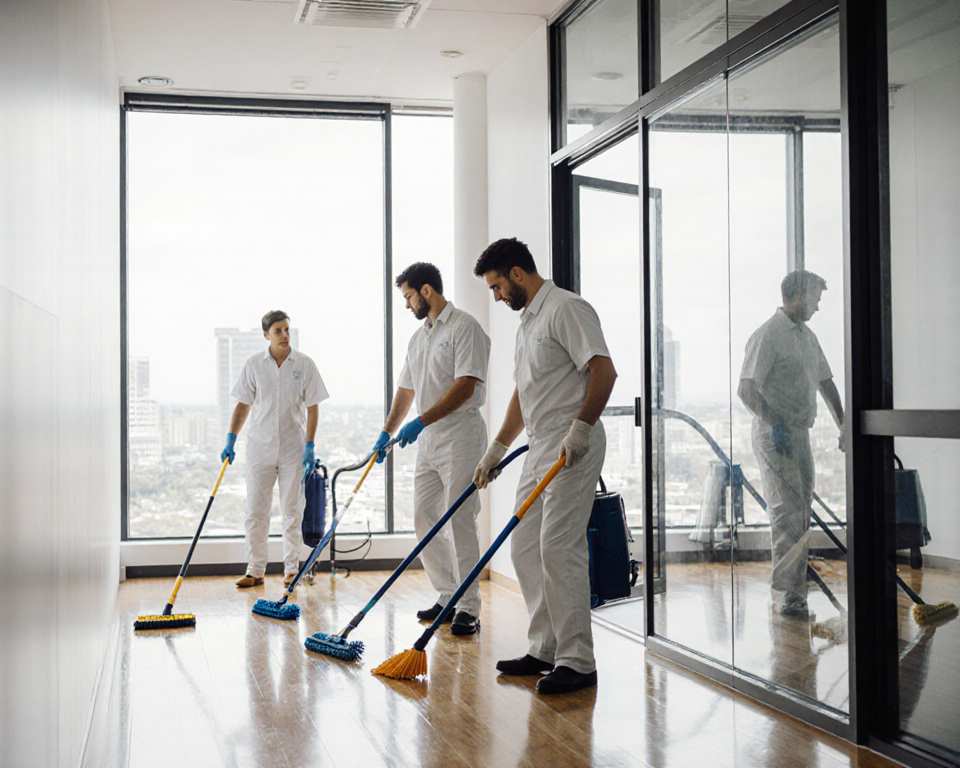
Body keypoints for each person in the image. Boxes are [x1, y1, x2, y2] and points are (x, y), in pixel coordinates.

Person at [472, 238, 616, 695]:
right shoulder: (528, 323)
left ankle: (578, 660)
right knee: (525, 547)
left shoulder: (567, 309)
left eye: (497, 287)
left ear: (517, 273)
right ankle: (545, 647)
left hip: (573, 444)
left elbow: (603, 370)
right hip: (540, 448)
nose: (496, 297)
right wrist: (496, 447)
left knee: (558, 547)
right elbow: (524, 394)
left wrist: (581, 428)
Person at [372, 262, 490, 635]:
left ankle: (469, 608)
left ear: (426, 291)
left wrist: (423, 420)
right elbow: (406, 391)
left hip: (461, 435)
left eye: (408, 296)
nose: (407, 305)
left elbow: (466, 385)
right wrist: (386, 432)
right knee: (424, 517)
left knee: (459, 520)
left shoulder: (464, 327)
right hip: (430, 442)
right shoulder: (418, 338)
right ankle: (448, 594)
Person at [738, 270, 844, 618]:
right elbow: (746, 390)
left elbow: (826, 383)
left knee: (801, 514)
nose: (817, 306)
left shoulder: (807, 338)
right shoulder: (768, 335)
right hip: (774, 434)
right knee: (787, 514)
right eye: (815, 298)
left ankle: (795, 587)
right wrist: (775, 421)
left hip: (800, 432)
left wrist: (844, 425)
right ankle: (788, 596)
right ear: (797, 296)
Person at [221, 311, 329, 589]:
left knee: (293, 510)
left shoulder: (304, 365)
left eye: (287, 330)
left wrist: (310, 445)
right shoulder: (254, 364)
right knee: (256, 510)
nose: (284, 335)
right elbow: (243, 405)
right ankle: (255, 570)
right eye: (278, 331)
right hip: (260, 448)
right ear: (266, 334)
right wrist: (231, 439)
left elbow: (313, 406)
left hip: (294, 449)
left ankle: (291, 570)